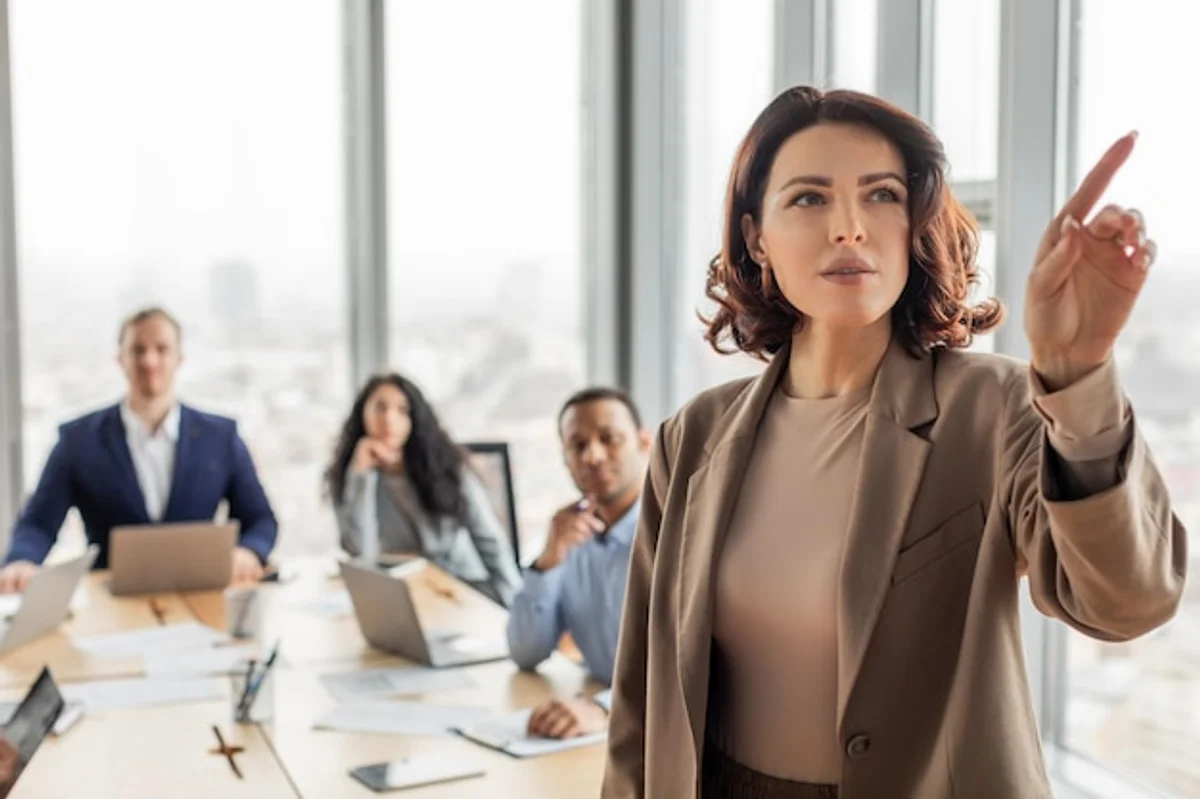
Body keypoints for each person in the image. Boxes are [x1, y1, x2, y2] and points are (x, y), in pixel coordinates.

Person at [602, 86, 1187, 799]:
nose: (849, 227)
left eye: (881, 195)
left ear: (913, 221)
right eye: (809, 199)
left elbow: (1125, 602)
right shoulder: (692, 437)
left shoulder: (992, 408)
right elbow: (644, 693)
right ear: (757, 236)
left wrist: (1080, 373)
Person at [0, 308, 277, 593]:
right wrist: (21, 561)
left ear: (179, 358)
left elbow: (260, 519)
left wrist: (248, 552)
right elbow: (38, 523)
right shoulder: (77, 441)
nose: (149, 360)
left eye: (161, 349)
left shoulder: (221, 437)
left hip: (200, 596)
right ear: (120, 359)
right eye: (138, 350)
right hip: (111, 601)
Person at [507, 387, 651, 740]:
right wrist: (548, 561)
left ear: (644, 442)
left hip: (658, 731)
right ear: (565, 457)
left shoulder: (675, 535)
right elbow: (526, 652)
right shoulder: (571, 535)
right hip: (601, 733)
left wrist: (603, 707)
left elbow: (691, 671)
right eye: (578, 445)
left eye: (609, 438)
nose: (593, 455)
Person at [326, 373, 521, 607]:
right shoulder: (352, 476)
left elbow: (490, 541)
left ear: (414, 419)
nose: (389, 419)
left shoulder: (446, 469)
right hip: (403, 596)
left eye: (402, 410)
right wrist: (360, 476)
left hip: (461, 588)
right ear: (362, 414)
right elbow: (361, 552)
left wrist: (515, 605)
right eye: (380, 408)